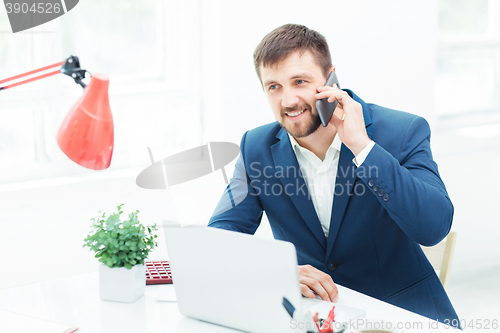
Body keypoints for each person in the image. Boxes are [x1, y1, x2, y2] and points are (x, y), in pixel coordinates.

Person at [208, 23, 459, 323]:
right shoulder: (256, 148)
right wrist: (278, 272)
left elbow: (433, 227)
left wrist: (362, 147)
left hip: (404, 317)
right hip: (315, 319)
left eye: (299, 81)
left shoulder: (403, 131)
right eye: (274, 86)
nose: (287, 101)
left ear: (330, 80)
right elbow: (218, 240)